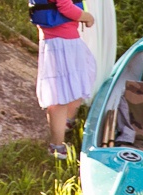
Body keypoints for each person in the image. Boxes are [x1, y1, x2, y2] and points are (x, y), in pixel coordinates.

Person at [30, 0, 97, 160]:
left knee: (83, 78)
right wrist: (86, 17)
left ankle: (66, 121)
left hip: (64, 39)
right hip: (61, 42)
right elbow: (65, 6)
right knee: (60, 96)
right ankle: (57, 147)